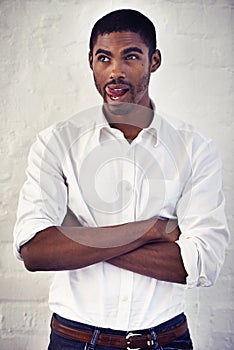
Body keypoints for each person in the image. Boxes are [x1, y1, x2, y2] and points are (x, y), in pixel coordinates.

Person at [13, 9, 229, 350]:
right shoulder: (56, 143)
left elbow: (201, 263)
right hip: (75, 340)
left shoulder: (194, 148)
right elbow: (36, 252)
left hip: (165, 340)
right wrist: (153, 229)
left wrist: (74, 242)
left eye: (130, 56)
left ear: (153, 60)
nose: (115, 72)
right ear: (90, 62)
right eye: (104, 58)